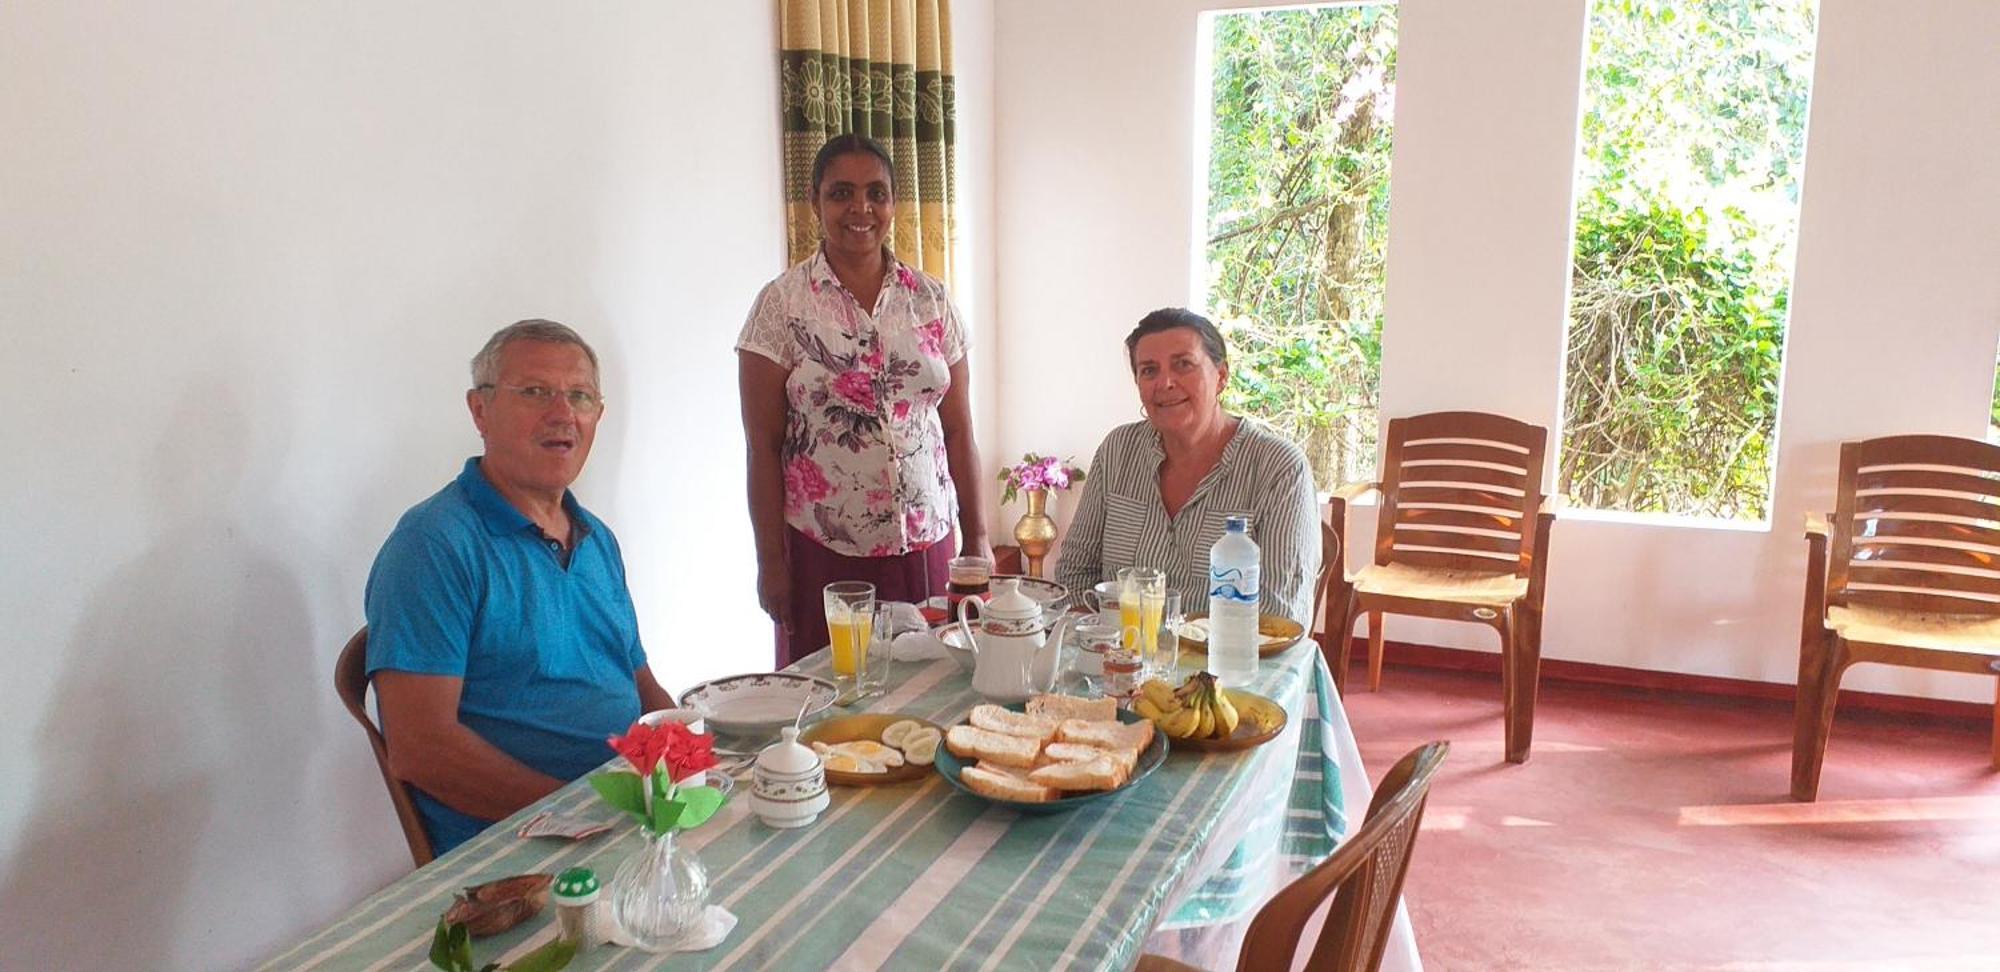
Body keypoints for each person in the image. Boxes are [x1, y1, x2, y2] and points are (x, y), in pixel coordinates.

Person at [365, 319, 674, 854]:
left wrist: (683, 771)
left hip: (620, 822)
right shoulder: (433, 546)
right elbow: (422, 751)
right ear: (479, 410)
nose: (562, 414)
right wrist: (582, 817)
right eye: (534, 392)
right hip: (521, 850)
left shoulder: (596, 539)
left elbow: (642, 688)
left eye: (580, 396)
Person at [738, 133, 991, 667]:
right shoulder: (781, 306)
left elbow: (959, 431)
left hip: (928, 542)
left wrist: (979, 538)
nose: (861, 208)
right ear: (816, 201)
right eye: (842, 193)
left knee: (931, 690)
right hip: (825, 551)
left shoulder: (931, 298)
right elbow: (762, 445)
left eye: (876, 193)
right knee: (834, 706)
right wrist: (771, 563)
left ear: (893, 205)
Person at [1056, 308, 1320, 625]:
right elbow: (1074, 574)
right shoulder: (1117, 452)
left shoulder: (1279, 469)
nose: (1165, 382)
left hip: (1226, 668)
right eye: (1149, 370)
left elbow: (1281, 618)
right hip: (1119, 663)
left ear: (1221, 376)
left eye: (1184, 365)